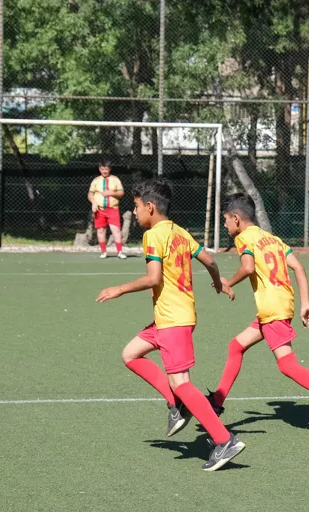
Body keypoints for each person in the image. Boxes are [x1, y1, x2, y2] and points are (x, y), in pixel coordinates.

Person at [96, 177, 245, 471]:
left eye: (136, 206)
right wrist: (218, 283)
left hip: (173, 320)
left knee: (182, 383)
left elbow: (154, 278)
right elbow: (210, 260)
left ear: (150, 207)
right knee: (130, 354)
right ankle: (177, 403)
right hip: (170, 317)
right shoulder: (179, 232)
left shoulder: (153, 235)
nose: (135, 212)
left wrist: (120, 289)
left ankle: (224, 440)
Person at [208, 193, 309, 437]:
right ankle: (216, 402)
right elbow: (298, 266)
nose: (224, 225)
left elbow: (247, 267)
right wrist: (305, 303)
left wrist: (227, 283)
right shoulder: (272, 239)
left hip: (271, 308)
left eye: (225, 219)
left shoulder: (244, 237)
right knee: (236, 346)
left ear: (236, 218)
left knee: (287, 365)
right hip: (281, 304)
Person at [88, 162, 127, 259]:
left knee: (116, 230)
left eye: (106, 169)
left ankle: (120, 252)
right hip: (99, 210)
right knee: (101, 230)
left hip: (113, 209)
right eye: (102, 169)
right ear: (99, 169)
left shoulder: (115, 179)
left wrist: (111, 193)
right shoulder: (96, 180)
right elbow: (90, 194)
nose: (104, 171)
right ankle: (103, 252)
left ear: (109, 169)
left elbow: (121, 193)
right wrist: (93, 202)